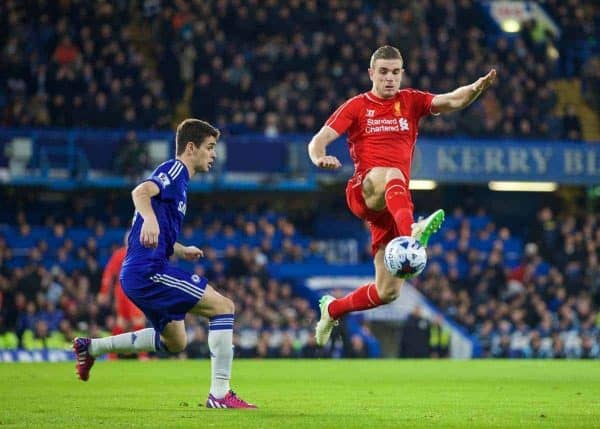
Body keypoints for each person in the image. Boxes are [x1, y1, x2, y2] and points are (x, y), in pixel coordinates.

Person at [308, 45, 496, 346]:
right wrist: (319, 158)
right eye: (383, 72)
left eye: (396, 72)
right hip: (364, 190)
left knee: (387, 292)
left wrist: (475, 89)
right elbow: (319, 140)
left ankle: (332, 308)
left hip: (392, 208)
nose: (390, 78)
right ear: (372, 73)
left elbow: (452, 99)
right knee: (392, 173)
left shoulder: (411, 101)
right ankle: (413, 231)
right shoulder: (357, 106)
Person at [73, 119, 256, 409]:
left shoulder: (181, 185)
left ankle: (91, 347)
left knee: (176, 341)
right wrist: (147, 218)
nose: (214, 155)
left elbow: (160, 232)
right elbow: (140, 192)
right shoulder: (175, 169)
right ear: (191, 147)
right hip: (149, 271)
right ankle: (220, 395)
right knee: (224, 307)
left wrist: (181, 250)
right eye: (209, 148)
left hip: (140, 273)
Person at [98, 233, 146, 356]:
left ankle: (112, 356)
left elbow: (108, 274)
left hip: (121, 291)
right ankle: (143, 356)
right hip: (133, 290)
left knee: (122, 323)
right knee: (138, 321)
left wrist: (104, 292)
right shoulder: (139, 254)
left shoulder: (118, 253)